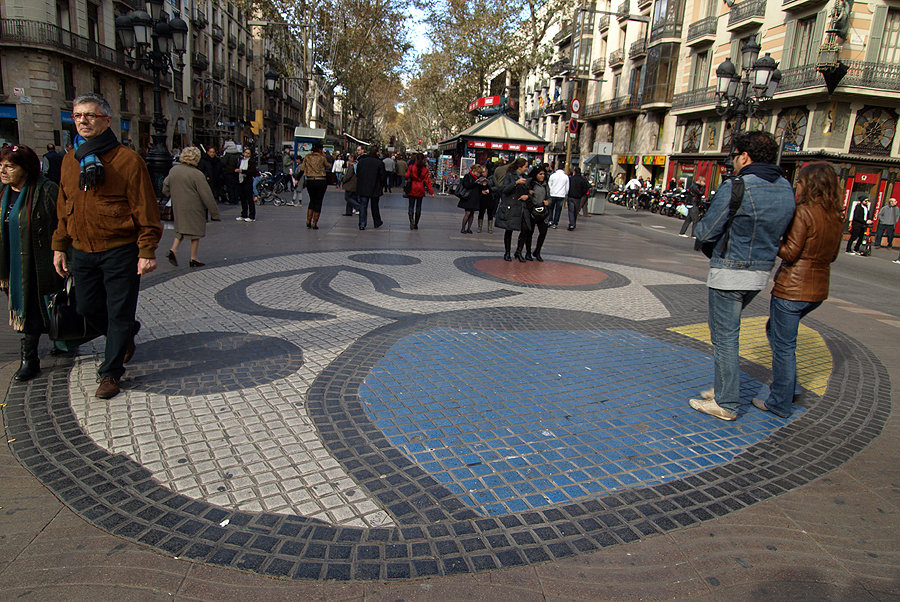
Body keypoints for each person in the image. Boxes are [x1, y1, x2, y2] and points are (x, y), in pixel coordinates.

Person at [51, 93, 162, 400]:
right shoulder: (70, 161)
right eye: (77, 116)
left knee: (119, 311)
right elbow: (64, 205)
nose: (83, 121)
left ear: (107, 121)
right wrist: (60, 245)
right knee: (84, 306)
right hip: (82, 250)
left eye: (91, 115)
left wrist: (146, 250)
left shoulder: (127, 161)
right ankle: (124, 333)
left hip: (120, 250)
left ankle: (110, 372)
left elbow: (146, 210)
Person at [689, 131, 796, 421]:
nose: (732, 163)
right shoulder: (785, 187)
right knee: (728, 335)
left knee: (724, 338)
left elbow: (707, 231)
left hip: (730, 273)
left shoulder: (737, 185)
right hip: (761, 273)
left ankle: (726, 403)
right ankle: (724, 389)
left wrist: (703, 230)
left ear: (745, 157)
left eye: (734, 157)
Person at [753, 161, 843, 419]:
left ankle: (780, 401)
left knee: (783, 346)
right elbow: (833, 255)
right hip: (817, 290)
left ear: (809, 184)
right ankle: (788, 386)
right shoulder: (835, 215)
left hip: (792, 288)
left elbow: (790, 252)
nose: (797, 186)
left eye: (800, 182)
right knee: (776, 332)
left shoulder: (804, 212)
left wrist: (772, 239)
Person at [0, 145, 65, 381]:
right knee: (33, 310)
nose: (3, 171)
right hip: (11, 266)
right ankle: (60, 341)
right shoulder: (2, 192)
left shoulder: (46, 190)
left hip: (40, 262)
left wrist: (61, 252)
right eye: (1, 166)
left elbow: (62, 224)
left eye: (10, 166)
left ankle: (30, 360)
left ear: (26, 169)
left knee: (37, 310)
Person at [162, 147, 220, 268]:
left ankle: (174, 250)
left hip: (178, 205)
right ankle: (193, 257)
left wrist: (171, 193)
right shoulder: (197, 174)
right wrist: (214, 213)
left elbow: (165, 186)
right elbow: (206, 195)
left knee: (182, 228)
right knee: (196, 231)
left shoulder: (174, 170)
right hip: (194, 206)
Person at [494, 158, 530, 262]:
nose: (526, 169)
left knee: (525, 229)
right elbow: (504, 189)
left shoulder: (525, 177)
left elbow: (527, 190)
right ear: (520, 166)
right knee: (509, 229)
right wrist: (516, 183)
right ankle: (507, 252)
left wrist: (527, 195)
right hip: (512, 207)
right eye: (525, 167)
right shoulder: (510, 176)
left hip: (522, 207)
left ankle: (519, 251)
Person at [299, 141, 332, 229]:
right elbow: (328, 166)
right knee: (318, 201)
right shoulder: (322, 157)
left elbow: (302, 169)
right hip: (321, 181)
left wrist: (297, 179)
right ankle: (315, 223)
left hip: (310, 181)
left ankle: (308, 220)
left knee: (312, 200)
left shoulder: (307, 157)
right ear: (320, 149)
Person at [523, 166, 550, 261]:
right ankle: (528, 252)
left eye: (543, 174)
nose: (542, 176)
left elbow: (549, 196)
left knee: (543, 232)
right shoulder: (531, 183)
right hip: (532, 210)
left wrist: (548, 202)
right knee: (530, 232)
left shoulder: (546, 185)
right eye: (540, 174)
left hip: (542, 212)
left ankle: (537, 251)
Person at [356, 146, 387, 230]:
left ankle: (362, 223)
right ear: (377, 153)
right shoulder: (379, 163)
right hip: (375, 187)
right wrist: (383, 185)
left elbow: (358, 173)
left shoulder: (361, 161)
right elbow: (382, 176)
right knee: (374, 205)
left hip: (363, 186)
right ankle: (377, 221)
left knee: (363, 205)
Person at [405, 153, 433, 230]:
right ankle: (416, 223)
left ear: (416, 159)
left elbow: (406, 176)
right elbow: (427, 181)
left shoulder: (411, 167)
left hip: (412, 187)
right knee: (418, 207)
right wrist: (431, 192)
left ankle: (411, 220)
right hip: (420, 188)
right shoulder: (425, 169)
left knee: (411, 206)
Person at [458, 164, 484, 234]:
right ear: (474, 170)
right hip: (469, 197)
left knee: (472, 213)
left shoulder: (477, 178)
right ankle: (463, 228)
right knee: (468, 212)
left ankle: (469, 228)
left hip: (475, 197)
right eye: (477, 172)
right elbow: (467, 185)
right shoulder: (468, 176)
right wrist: (476, 183)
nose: (478, 174)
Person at [235, 146, 257, 222]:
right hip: (240, 181)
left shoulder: (251, 161)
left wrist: (242, 171)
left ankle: (252, 215)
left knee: (249, 198)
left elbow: (253, 172)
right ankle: (244, 214)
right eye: (245, 153)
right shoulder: (240, 160)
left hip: (247, 181)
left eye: (248, 153)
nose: (246, 154)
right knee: (242, 198)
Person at [547, 163, 569, 228]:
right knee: (558, 210)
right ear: (563, 169)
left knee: (550, 208)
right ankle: (555, 223)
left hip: (552, 194)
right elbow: (567, 187)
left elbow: (549, 184)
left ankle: (550, 220)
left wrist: (551, 191)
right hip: (561, 195)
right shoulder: (566, 177)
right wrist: (565, 193)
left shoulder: (553, 175)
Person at [220, 140, 241, 205]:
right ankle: (236, 199)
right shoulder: (237, 154)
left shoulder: (228, 154)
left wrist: (221, 158)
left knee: (229, 186)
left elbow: (223, 163)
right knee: (235, 186)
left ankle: (231, 199)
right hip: (235, 171)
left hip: (228, 171)